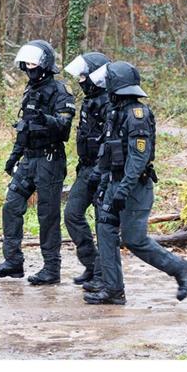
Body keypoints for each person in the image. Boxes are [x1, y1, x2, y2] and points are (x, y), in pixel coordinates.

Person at [83, 61, 187, 305]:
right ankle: (113, 290)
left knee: (134, 239)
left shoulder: (137, 115)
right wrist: (101, 182)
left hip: (134, 188)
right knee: (105, 232)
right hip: (114, 184)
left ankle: (180, 268)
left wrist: (123, 188)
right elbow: (108, 151)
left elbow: (138, 158)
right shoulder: (114, 112)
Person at [0, 40, 75, 285]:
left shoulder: (60, 91)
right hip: (29, 158)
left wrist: (45, 118)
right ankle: (13, 262)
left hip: (50, 159)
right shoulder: (30, 90)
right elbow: (24, 129)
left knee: (47, 215)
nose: (28, 67)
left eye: (33, 62)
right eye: (26, 63)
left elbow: (64, 125)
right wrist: (14, 156)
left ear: (45, 63)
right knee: (11, 206)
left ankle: (51, 268)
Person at [62, 52, 111, 291]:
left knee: (104, 223)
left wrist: (101, 170)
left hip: (104, 171)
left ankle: (103, 274)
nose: (80, 80)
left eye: (84, 75)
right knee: (72, 214)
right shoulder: (88, 101)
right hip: (86, 168)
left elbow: (110, 141)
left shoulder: (110, 101)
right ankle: (91, 264)